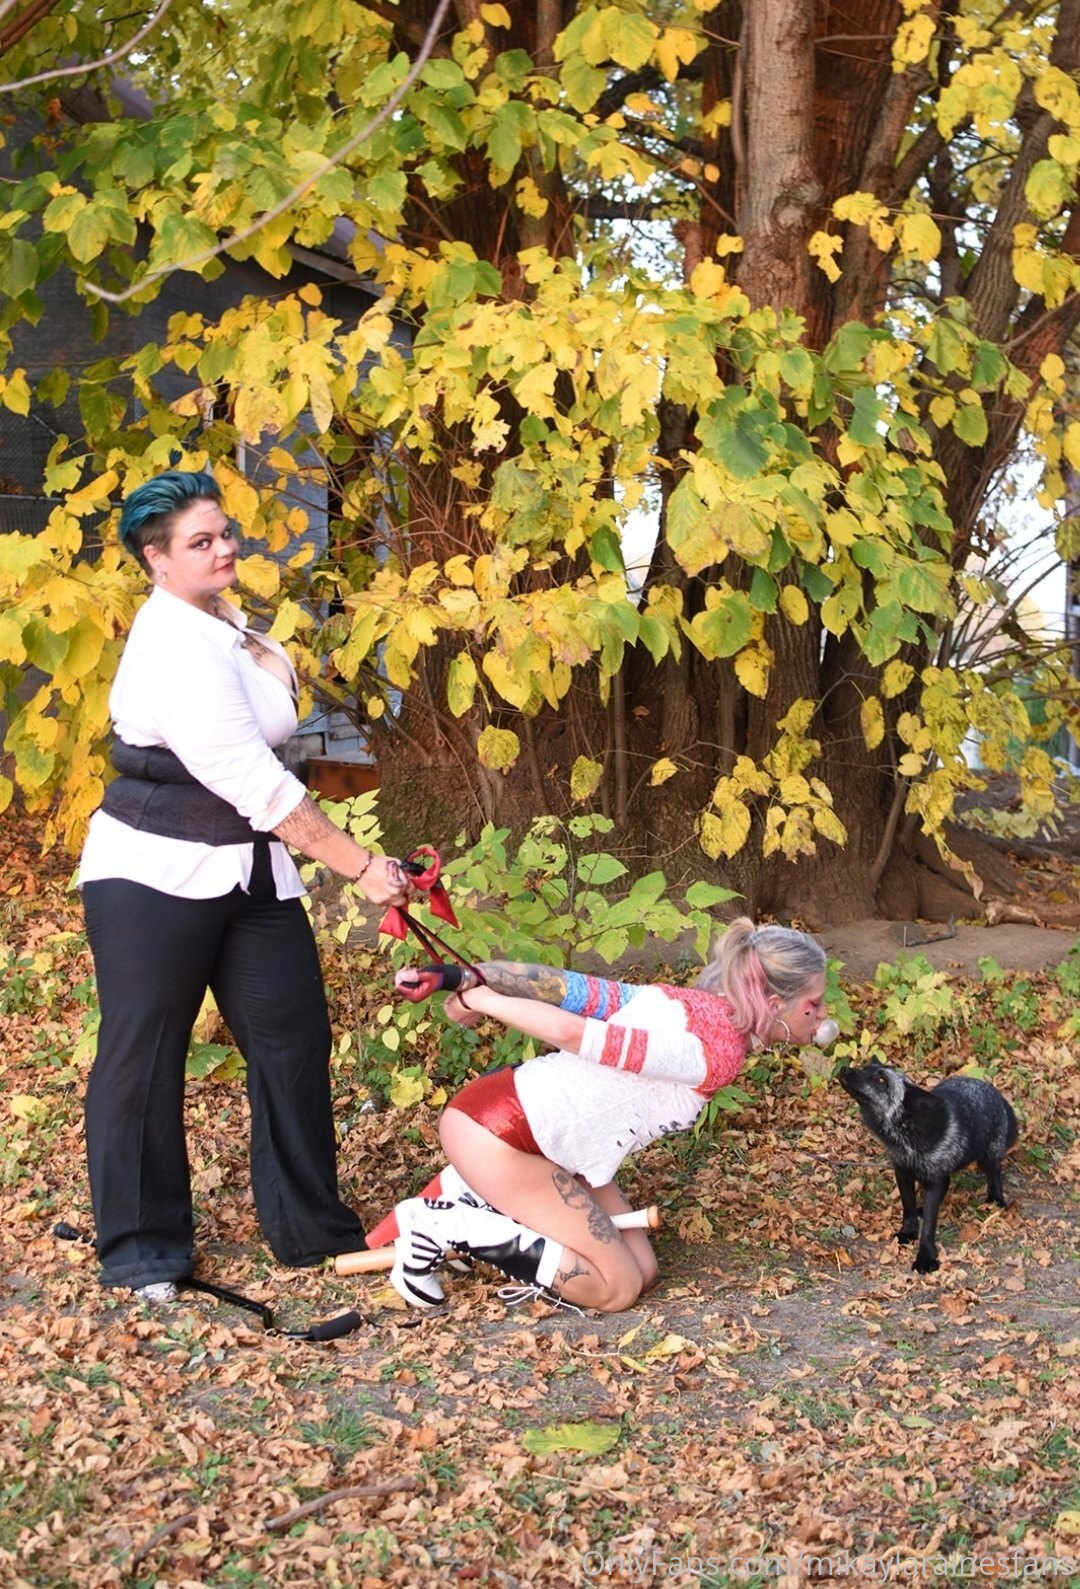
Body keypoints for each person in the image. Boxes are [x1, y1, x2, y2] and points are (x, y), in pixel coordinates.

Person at [78, 468, 414, 1302]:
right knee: (145, 1051)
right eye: (200, 542)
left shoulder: (224, 624)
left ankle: (310, 1229)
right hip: (154, 871)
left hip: (249, 869)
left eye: (224, 532)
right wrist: (362, 866)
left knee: (292, 1036)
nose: (225, 548)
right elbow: (257, 783)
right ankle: (142, 1251)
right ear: (156, 559)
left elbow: (274, 741)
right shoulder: (173, 644)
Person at [385, 920, 833, 1313]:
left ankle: (488, 1211)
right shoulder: (715, 1051)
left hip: (557, 1146)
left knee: (643, 1271)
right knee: (617, 1289)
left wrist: (458, 976)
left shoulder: (685, 1002)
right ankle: (440, 1224)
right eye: (813, 1004)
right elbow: (569, 1029)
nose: (823, 1017)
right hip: (499, 1133)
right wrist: (480, 996)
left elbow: (562, 985)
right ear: (774, 1003)